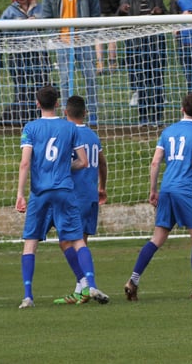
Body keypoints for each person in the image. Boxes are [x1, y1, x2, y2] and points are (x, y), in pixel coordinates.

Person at [15, 85, 109, 308]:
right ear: (58, 104)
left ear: (37, 103)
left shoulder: (31, 128)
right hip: (65, 189)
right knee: (76, 240)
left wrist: (20, 193)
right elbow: (83, 162)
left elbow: (25, 162)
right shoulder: (70, 128)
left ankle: (28, 296)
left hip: (40, 191)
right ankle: (90, 282)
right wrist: (66, 168)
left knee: (30, 244)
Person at [124, 93, 192, 301]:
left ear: (182, 109)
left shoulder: (168, 131)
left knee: (157, 238)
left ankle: (133, 280)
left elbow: (155, 162)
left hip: (167, 188)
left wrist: (153, 190)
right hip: (186, 190)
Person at [53, 95, 108, 304]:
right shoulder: (93, 136)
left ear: (65, 113)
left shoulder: (67, 134)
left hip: (74, 197)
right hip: (91, 195)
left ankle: (87, 285)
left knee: (65, 242)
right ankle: (81, 291)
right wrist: (102, 187)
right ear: (85, 113)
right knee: (81, 242)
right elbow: (102, 163)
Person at [41, 0, 101, 125]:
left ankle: (93, 115)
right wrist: (55, 37)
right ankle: (67, 116)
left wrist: (89, 35)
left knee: (90, 78)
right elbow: (46, 17)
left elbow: (96, 13)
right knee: (65, 80)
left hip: (83, 41)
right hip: (63, 42)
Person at [117, 0, 167, 125]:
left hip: (155, 47)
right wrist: (121, 12)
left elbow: (168, 18)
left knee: (157, 82)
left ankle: (158, 117)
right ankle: (143, 117)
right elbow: (120, 25)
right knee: (141, 84)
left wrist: (160, 13)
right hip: (136, 48)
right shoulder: (127, 0)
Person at [0, 0, 50, 124]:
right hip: (18, 53)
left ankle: (41, 116)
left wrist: (38, 22)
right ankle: (22, 118)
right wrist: (19, 26)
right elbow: (3, 31)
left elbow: (48, 25)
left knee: (40, 84)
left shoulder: (39, 8)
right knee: (20, 86)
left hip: (38, 52)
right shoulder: (9, 12)